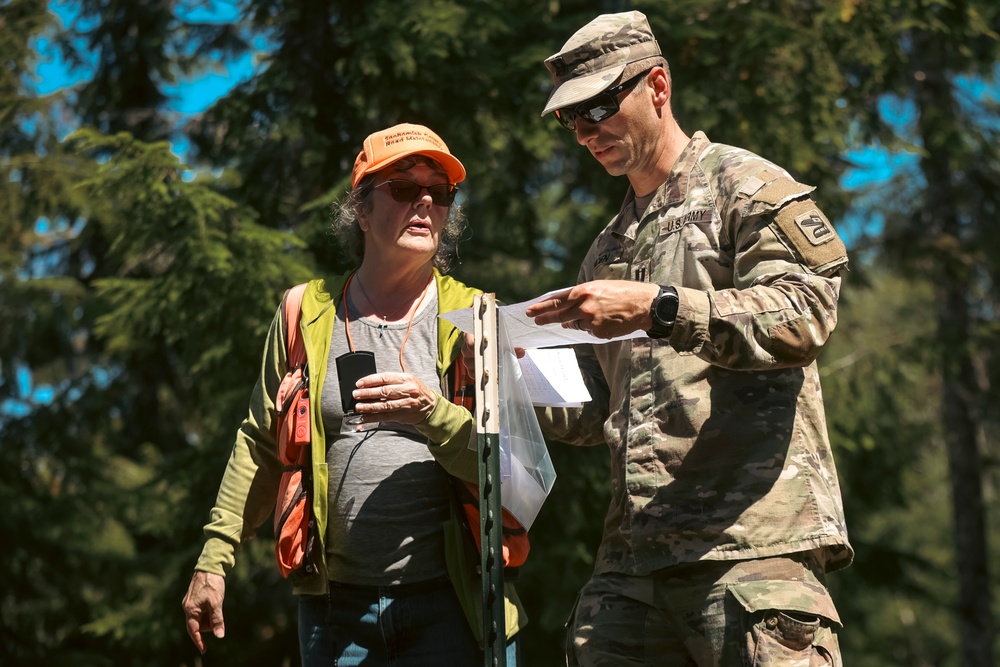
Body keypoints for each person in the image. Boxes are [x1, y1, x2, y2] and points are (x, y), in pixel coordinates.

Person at [526, 11, 854, 667]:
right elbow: (594, 408)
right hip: (634, 563)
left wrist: (662, 306)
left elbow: (805, 312)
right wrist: (503, 380)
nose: (588, 130)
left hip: (750, 550)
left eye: (598, 104)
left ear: (657, 85)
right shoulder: (608, 249)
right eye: (572, 118)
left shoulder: (745, 186)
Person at [182, 123, 524, 666]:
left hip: (455, 608)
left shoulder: (477, 317)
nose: (427, 202)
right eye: (405, 188)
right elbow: (260, 443)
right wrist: (214, 558)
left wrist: (434, 416)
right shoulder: (304, 311)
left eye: (441, 191)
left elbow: (512, 471)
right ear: (361, 210)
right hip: (335, 615)